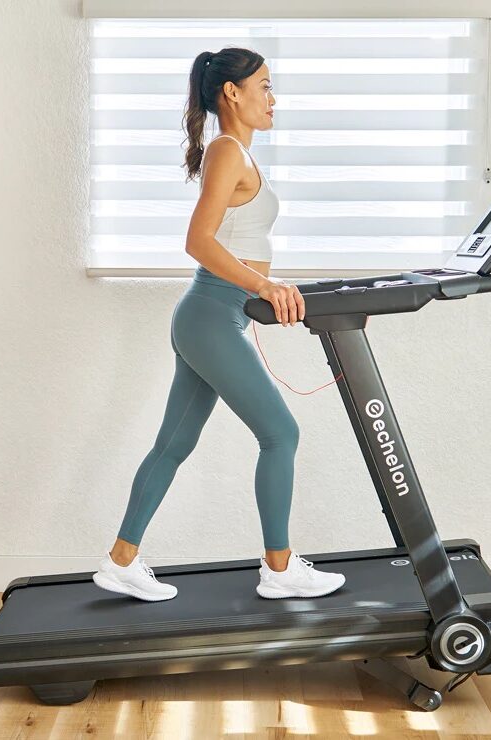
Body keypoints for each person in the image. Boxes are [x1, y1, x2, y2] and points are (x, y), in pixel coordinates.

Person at [93, 47, 346, 602]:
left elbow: (238, 240)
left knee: (173, 444)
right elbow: (198, 241)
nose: (273, 99)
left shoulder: (238, 156)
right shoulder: (228, 151)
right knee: (281, 433)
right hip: (210, 313)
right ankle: (279, 571)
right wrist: (264, 286)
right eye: (265, 86)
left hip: (214, 315)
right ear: (232, 92)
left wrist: (267, 289)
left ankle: (121, 561)